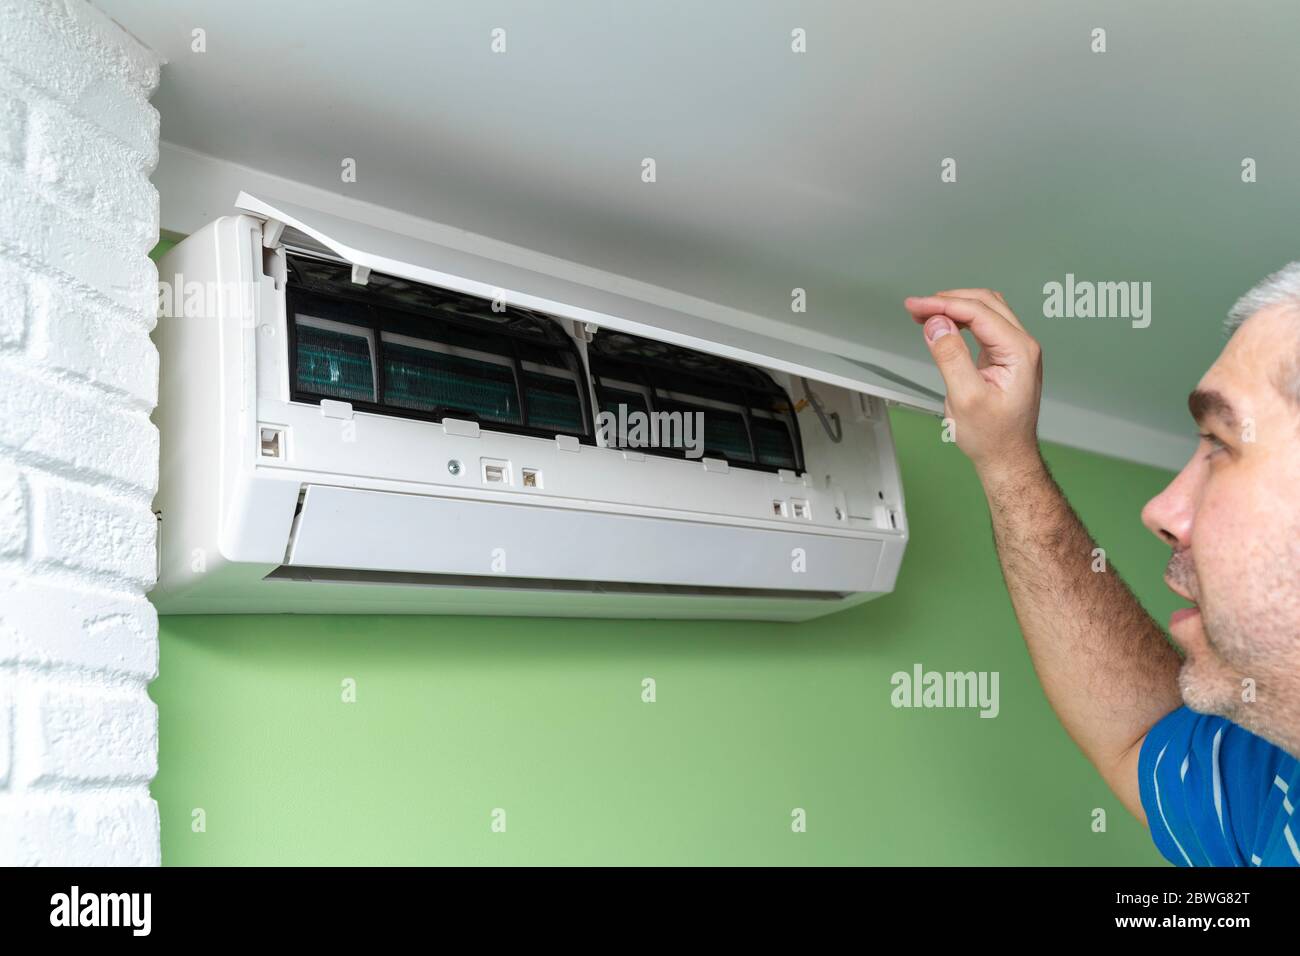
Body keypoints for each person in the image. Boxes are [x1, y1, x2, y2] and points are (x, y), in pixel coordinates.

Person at [905, 273, 1300, 866]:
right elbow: (1140, 733)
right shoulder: (1279, 783)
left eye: (1222, 444)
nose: (1162, 511)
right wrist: (1007, 460)